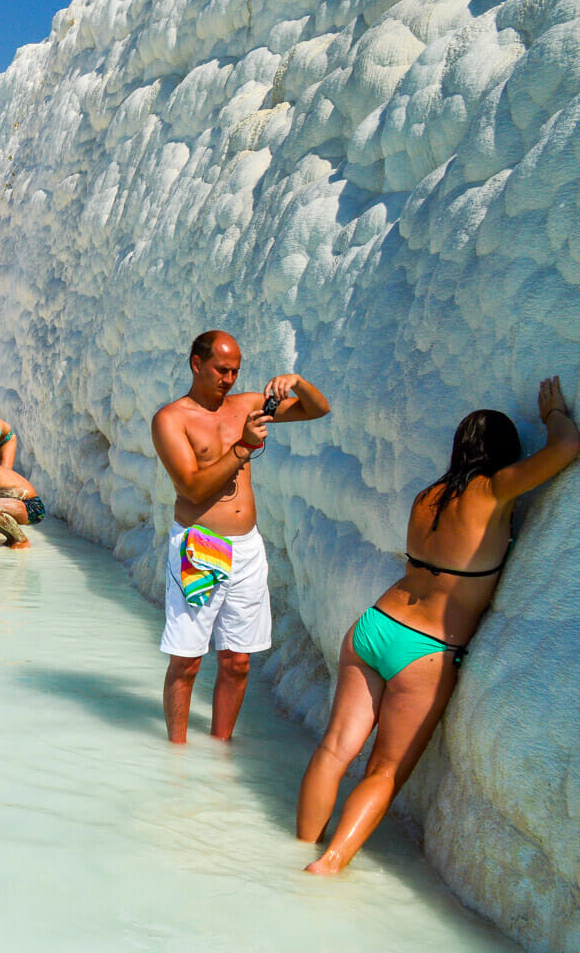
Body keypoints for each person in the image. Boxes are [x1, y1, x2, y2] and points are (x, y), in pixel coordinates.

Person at [296, 379, 576, 873]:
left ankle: (295, 850)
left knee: (335, 748)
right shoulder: (494, 490)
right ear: (504, 455)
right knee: (384, 770)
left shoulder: (428, 496)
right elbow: (568, 448)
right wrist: (554, 413)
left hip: (375, 626)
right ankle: (328, 866)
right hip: (425, 649)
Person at [150, 330, 331, 744]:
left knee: (238, 662)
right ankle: (174, 754)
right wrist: (243, 447)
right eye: (221, 369)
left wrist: (296, 382)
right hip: (202, 546)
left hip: (247, 548)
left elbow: (317, 410)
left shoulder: (248, 405)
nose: (229, 379)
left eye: (235, 371)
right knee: (188, 661)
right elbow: (191, 488)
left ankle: (220, 750)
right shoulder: (171, 419)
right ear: (197, 364)